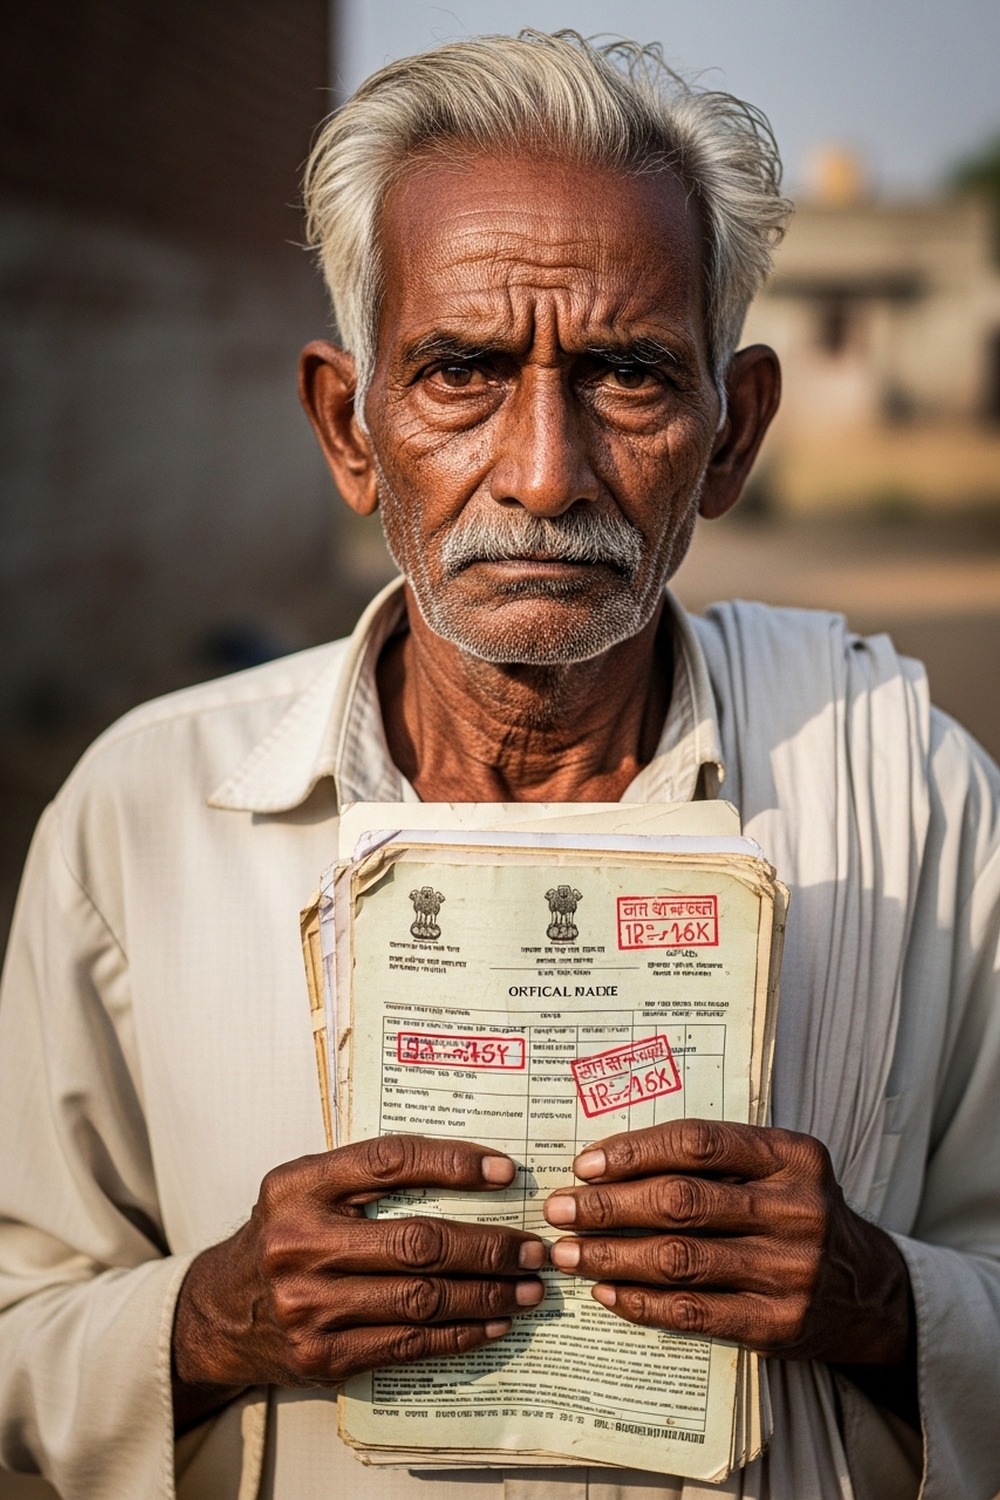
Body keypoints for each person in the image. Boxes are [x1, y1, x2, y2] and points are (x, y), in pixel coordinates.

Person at [1, 29, 998, 1500]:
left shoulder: (911, 797)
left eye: (630, 377)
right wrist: (208, 1326)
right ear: (350, 426)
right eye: (462, 371)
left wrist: (875, 1300)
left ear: (734, 438)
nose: (544, 470)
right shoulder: (146, 815)